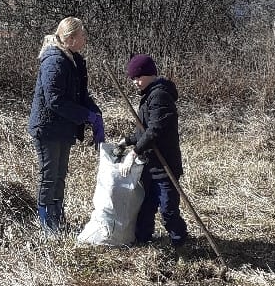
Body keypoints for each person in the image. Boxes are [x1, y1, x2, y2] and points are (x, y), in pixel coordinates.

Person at [28, 17, 105, 233]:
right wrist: (85, 116)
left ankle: (57, 217)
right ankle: (45, 223)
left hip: (63, 127)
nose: (85, 39)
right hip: (48, 127)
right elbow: (55, 100)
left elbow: (79, 94)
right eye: (82, 36)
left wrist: (95, 113)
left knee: (60, 174)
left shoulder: (73, 59)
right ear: (70, 39)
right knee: (49, 174)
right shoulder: (54, 61)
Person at [120, 54, 188, 248]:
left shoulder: (160, 96)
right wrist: (127, 141)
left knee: (168, 209)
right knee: (146, 205)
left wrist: (134, 153)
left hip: (166, 166)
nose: (135, 82)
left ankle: (179, 242)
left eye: (138, 77)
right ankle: (143, 239)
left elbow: (155, 130)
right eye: (132, 78)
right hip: (151, 164)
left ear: (150, 74)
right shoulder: (148, 95)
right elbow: (143, 130)